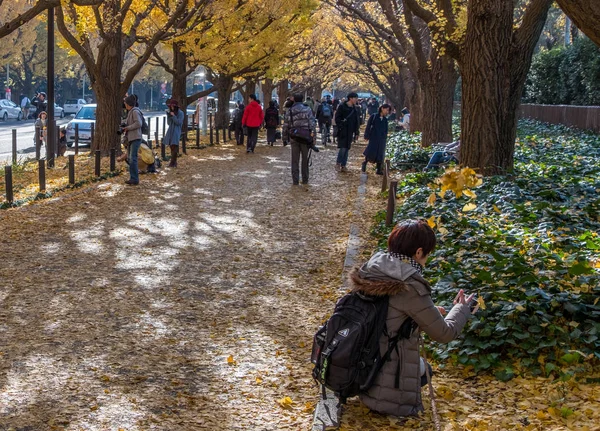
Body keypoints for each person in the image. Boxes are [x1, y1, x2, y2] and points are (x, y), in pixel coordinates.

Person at [350, 219, 475, 417]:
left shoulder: (373, 269)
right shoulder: (410, 287)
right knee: (426, 370)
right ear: (418, 252)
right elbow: (444, 333)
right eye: (427, 254)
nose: (426, 259)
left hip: (360, 368)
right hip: (388, 377)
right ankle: (391, 404)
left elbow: (391, 312)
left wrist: (428, 311)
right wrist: (461, 309)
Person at [282, 93, 317, 185]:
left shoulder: (290, 110)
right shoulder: (307, 109)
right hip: (306, 137)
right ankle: (305, 179)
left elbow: (286, 125)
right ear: (302, 99)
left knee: (295, 160)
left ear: (294, 100)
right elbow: (312, 125)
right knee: (305, 159)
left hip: (294, 137)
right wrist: (313, 138)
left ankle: (295, 180)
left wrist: (284, 137)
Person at [334, 92, 360, 172]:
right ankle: (338, 163)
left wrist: (356, 132)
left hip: (350, 131)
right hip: (343, 130)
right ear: (350, 98)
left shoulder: (355, 108)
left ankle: (343, 165)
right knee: (343, 147)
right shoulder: (342, 106)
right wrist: (341, 126)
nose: (356, 100)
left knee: (347, 148)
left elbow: (357, 121)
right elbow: (337, 118)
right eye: (355, 98)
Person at [362, 104, 391, 175]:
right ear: (382, 109)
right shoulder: (374, 116)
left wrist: (385, 136)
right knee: (371, 150)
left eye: (388, 110)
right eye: (386, 110)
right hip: (374, 137)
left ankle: (379, 169)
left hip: (382, 139)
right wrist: (366, 135)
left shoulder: (385, 119)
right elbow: (368, 126)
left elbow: (386, 129)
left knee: (380, 152)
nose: (387, 112)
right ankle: (365, 162)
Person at [122, 94, 143, 185]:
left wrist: (128, 128)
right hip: (131, 137)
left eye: (125, 103)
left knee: (133, 158)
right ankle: (133, 177)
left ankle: (135, 178)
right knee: (130, 158)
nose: (124, 105)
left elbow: (138, 123)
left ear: (128, 104)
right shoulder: (130, 112)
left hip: (135, 137)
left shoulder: (134, 111)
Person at [163, 99, 184, 168]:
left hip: (176, 131)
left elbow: (178, 122)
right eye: (171, 107)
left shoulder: (180, 113)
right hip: (170, 130)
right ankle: (173, 162)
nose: (171, 108)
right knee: (171, 146)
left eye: (173, 107)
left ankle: (173, 162)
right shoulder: (172, 113)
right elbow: (169, 123)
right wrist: (169, 116)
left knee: (174, 145)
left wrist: (174, 116)